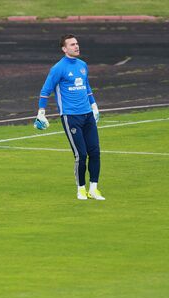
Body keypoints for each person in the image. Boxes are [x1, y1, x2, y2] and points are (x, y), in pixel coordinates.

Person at [34, 34, 105, 201]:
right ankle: (81, 189)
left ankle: (94, 189)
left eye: (77, 44)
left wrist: (94, 105)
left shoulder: (82, 65)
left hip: (87, 115)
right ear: (64, 49)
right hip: (70, 117)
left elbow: (87, 86)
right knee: (81, 155)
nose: (76, 46)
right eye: (72, 44)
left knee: (95, 152)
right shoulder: (58, 68)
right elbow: (45, 91)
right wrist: (41, 112)